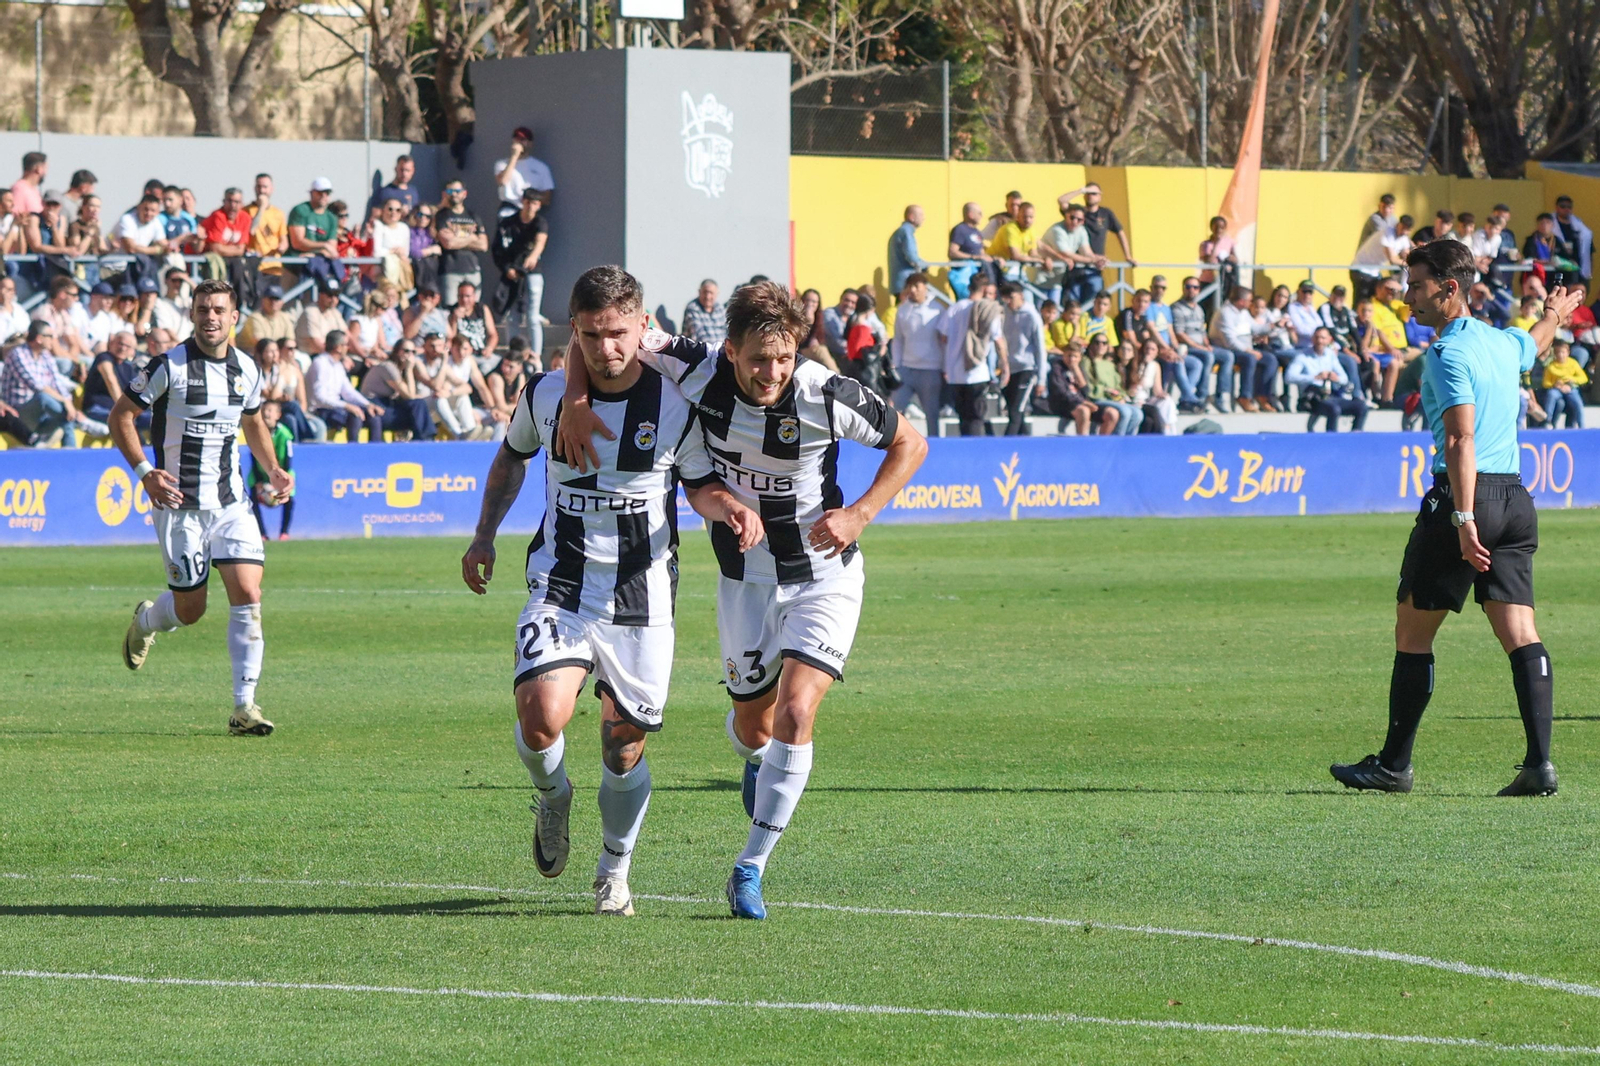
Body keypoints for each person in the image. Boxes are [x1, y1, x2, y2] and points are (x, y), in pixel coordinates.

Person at [555, 277, 927, 920]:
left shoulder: (825, 392)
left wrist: (860, 514)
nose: (772, 373)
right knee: (755, 728)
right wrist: (575, 399)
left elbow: (911, 442)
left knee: (797, 713)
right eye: (759, 360)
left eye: (783, 359)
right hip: (745, 581)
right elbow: (596, 335)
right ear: (730, 351)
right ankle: (757, 757)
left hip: (823, 574)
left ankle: (749, 867)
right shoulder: (696, 369)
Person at [461, 265, 759, 917]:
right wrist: (484, 535)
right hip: (560, 580)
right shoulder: (546, 396)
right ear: (576, 332)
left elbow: (700, 482)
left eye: (619, 333)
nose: (607, 349)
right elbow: (512, 455)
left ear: (643, 326)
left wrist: (729, 508)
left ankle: (614, 869)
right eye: (592, 336)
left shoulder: (679, 399)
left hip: (642, 593)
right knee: (541, 718)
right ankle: (553, 797)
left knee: (623, 743)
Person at [1330, 241, 1582, 798]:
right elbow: (1532, 348)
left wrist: (1463, 518)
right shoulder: (1498, 340)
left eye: (1416, 285)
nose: (1407, 296)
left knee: (1412, 630)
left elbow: (1461, 437)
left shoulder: (1446, 353)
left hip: (1464, 496)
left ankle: (1394, 766)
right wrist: (1553, 318)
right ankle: (1539, 765)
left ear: (1449, 289)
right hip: (1515, 498)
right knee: (1520, 633)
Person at [110, 280, 292, 737]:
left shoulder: (248, 369)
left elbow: (251, 421)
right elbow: (121, 416)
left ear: (234, 317)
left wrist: (271, 468)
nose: (210, 316)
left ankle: (243, 706)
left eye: (218, 309)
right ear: (193, 314)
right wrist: (144, 472)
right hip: (179, 505)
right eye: (202, 309)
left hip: (231, 502)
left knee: (249, 595)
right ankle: (148, 619)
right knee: (191, 610)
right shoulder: (167, 366)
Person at [2, 320, 97, 445]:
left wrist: (68, 403)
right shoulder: (17, 354)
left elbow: (56, 382)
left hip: (41, 415)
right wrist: (64, 401)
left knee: (66, 420)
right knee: (43, 398)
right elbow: (37, 386)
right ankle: (81, 421)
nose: (54, 340)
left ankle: (71, 457)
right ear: (39, 338)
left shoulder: (46, 355)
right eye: (51, 336)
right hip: (18, 413)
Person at [940, 278, 1006, 436]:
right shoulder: (987, 309)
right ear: (984, 290)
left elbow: (942, 335)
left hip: (955, 372)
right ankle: (977, 453)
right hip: (977, 370)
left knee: (963, 417)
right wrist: (1005, 365)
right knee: (977, 417)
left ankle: (966, 451)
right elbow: (998, 339)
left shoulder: (955, 308)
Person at [492, 188, 548, 357]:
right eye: (528, 202)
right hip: (512, 273)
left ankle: (535, 356)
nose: (531, 206)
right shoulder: (508, 223)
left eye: (535, 203)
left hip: (532, 272)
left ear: (539, 206)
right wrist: (507, 268)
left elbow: (540, 243)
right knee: (511, 317)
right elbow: (497, 249)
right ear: (523, 202)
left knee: (532, 317)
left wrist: (532, 257)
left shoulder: (540, 222)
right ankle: (514, 353)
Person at [889, 272, 945, 436]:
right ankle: (893, 441)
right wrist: (897, 364)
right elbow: (898, 339)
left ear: (925, 287)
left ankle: (934, 446)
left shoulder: (937, 310)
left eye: (916, 286)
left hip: (930, 369)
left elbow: (943, 341)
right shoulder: (903, 310)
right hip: (906, 369)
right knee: (895, 408)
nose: (912, 290)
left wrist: (944, 367)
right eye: (909, 286)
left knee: (931, 413)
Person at [1287, 327, 1367, 432]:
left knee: (1361, 407)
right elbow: (1289, 377)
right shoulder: (1302, 356)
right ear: (1312, 339)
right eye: (1317, 337)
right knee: (1334, 409)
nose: (1320, 341)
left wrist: (1336, 378)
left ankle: (1355, 436)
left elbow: (1344, 378)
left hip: (1330, 394)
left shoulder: (1330, 355)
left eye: (1323, 338)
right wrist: (1314, 377)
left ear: (1329, 340)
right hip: (1312, 398)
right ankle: (1331, 438)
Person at [1170, 276, 1229, 412]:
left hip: (1200, 345)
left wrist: (1207, 344)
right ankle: (1201, 396)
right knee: (1208, 357)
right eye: (1188, 287)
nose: (1192, 290)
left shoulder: (1199, 309)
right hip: (1186, 347)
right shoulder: (1177, 308)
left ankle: (1220, 396)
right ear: (1183, 289)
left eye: (1195, 287)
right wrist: (1201, 347)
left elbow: (1202, 331)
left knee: (1227, 356)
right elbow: (1180, 334)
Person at [360, 339, 437, 442]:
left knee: (418, 405)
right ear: (397, 351)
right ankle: (425, 440)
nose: (409, 355)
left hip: (388, 405)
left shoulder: (400, 370)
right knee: (417, 405)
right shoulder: (388, 367)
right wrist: (409, 370)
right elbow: (410, 396)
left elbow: (412, 396)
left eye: (413, 352)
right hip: (374, 406)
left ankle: (426, 439)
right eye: (406, 351)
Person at [1209, 285, 1267, 412]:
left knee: (1270, 360)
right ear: (1242, 301)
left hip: (1245, 348)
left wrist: (1275, 326)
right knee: (1250, 359)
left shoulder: (1244, 313)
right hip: (1227, 350)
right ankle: (1244, 397)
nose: (1251, 303)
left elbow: (1256, 328)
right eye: (1250, 300)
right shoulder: (1225, 313)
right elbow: (1230, 342)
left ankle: (1264, 396)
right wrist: (1249, 350)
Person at [997, 282, 1044, 434]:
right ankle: (1025, 442)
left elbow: (1040, 348)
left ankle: (1007, 446)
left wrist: (1041, 378)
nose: (1009, 302)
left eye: (1011, 297)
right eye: (1006, 298)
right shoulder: (1004, 313)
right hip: (1009, 368)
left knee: (1016, 410)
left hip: (1026, 368)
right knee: (1013, 410)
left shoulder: (1031, 315)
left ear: (1021, 296)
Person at [254, 337, 319, 442]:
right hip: (263, 408)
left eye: (275, 351)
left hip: (276, 407)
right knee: (293, 405)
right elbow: (271, 396)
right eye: (270, 351)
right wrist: (281, 374)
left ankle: (296, 447)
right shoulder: (257, 371)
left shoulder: (275, 369)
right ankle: (308, 437)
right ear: (262, 354)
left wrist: (282, 397)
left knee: (290, 419)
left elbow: (276, 395)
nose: (275, 354)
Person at [1041, 202, 1103, 306]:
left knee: (1054, 314)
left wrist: (1099, 259)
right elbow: (1066, 254)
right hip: (1040, 277)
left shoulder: (1081, 231)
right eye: (1072, 217)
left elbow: (1087, 252)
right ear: (1066, 216)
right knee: (1038, 316)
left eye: (1079, 220)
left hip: (1056, 280)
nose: (1075, 222)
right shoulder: (1057, 230)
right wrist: (1093, 260)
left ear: (1083, 221)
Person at [435, 181, 487, 305]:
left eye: (457, 191)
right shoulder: (441, 216)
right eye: (450, 191)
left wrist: (456, 236)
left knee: (472, 309)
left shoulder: (473, 216)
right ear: (445, 194)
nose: (454, 194)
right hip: (450, 271)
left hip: (472, 270)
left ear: (464, 193)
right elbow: (448, 243)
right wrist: (471, 237)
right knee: (450, 309)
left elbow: (483, 245)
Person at [250, 400, 296, 540]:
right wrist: (259, 481)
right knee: (251, 499)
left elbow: (288, 459)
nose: (266, 414)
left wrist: (280, 480)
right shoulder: (256, 433)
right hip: (260, 472)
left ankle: (284, 533)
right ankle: (262, 534)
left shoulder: (285, 434)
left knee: (290, 499)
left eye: (270, 410)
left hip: (282, 473)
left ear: (278, 415)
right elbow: (253, 456)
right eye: (264, 410)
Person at [1062, 182, 1135, 267]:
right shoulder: (1078, 212)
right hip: (1076, 263)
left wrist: (1128, 256)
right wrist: (1081, 190)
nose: (1090, 196)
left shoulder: (1106, 213)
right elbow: (1062, 200)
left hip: (1096, 263)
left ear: (1100, 196)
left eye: (1094, 193)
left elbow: (1120, 233)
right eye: (1088, 193)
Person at [1081, 334, 1140, 434]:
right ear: (1091, 345)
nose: (1101, 345)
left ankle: (1128, 442)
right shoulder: (1086, 362)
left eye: (1104, 343)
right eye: (1097, 342)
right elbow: (1088, 386)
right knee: (1125, 412)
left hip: (1112, 399)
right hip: (1097, 399)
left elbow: (1117, 386)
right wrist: (1105, 390)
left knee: (1138, 414)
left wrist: (1121, 396)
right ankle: (1117, 443)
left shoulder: (1110, 364)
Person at [287, 178, 341, 285]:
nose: (324, 196)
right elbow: (297, 242)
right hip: (294, 268)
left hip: (318, 270)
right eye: (320, 192)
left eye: (327, 193)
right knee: (288, 300)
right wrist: (324, 247)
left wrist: (314, 253)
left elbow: (332, 249)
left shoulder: (331, 218)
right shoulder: (301, 210)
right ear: (312, 193)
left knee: (316, 300)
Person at [492, 127, 556, 216]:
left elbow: (547, 198)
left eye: (523, 140)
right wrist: (514, 156)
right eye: (517, 139)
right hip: (509, 211)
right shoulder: (502, 164)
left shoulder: (541, 167)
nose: (519, 142)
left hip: (530, 212)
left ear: (530, 143)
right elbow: (502, 181)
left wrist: (532, 198)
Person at [243, 174, 289, 278]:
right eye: (259, 187)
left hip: (273, 266)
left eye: (265, 187)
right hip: (254, 265)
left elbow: (283, 239)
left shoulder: (278, 213)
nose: (262, 190)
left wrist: (282, 246)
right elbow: (251, 231)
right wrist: (262, 207)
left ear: (271, 189)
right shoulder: (245, 211)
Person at [987, 201, 1045, 281]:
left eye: (1031, 217)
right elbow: (1015, 256)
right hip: (996, 269)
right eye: (1024, 217)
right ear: (1018, 216)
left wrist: (1045, 259)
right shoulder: (1010, 229)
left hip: (1013, 270)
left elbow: (1033, 254)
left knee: (1027, 292)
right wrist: (1040, 260)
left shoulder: (1031, 231)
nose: (1028, 220)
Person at [946, 202, 992, 299]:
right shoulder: (960, 230)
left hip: (978, 276)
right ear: (970, 214)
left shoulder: (977, 232)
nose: (982, 216)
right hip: (964, 276)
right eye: (979, 213)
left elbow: (981, 253)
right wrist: (972, 257)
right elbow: (952, 252)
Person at [370, 197, 414, 291]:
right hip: (382, 272)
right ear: (383, 210)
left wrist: (399, 252)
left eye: (398, 210)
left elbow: (406, 252)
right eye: (390, 209)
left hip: (400, 271)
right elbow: (376, 252)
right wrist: (392, 251)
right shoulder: (379, 226)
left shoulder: (404, 228)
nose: (393, 212)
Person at [295, 278, 347, 356]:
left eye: (336, 295)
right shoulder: (311, 311)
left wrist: (364, 355)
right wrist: (341, 358)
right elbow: (317, 345)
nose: (333, 299)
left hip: (331, 355)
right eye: (330, 295)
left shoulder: (334, 312)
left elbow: (348, 336)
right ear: (320, 294)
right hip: (310, 356)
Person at [1540, 340, 1587, 428]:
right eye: (1558, 352)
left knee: (1578, 403)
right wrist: (1554, 384)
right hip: (1557, 389)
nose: (1560, 355)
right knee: (1551, 395)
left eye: (1563, 352)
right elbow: (1545, 382)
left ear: (1568, 353)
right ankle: (1548, 421)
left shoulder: (1573, 363)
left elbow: (1584, 378)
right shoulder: (1551, 366)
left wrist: (1572, 380)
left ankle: (1581, 425)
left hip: (1570, 388)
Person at [449, 279, 498, 360]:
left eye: (468, 296)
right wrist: (454, 320)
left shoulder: (482, 309)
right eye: (461, 296)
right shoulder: (452, 311)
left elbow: (493, 334)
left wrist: (489, 348)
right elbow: (450, 339)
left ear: (474, 296)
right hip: (461, 356)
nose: (464, 300)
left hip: (481, 353)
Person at [238, 283, 293, 353]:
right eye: (271, 299)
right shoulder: (255, 317)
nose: (273, 302)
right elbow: (261, 345)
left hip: (275, 354)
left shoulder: (285, 317)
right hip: (251, 355)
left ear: (282, 302)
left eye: (276, 299)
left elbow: (290, 341)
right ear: (263, 300)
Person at [888, 205, 928, 296]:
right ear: (911, 217)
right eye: (921, 215)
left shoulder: (901, 231)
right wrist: (925, 266)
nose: (923, 218)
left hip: (900, 282)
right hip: (906, 283)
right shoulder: (906, 232)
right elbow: (912, 257)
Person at [1554, 196, 1592, 285]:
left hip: (1578, 272)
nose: (1566, 209)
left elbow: (1589, 251)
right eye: (1563, 206)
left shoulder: (1581, 228)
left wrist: (1588, 271)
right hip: (1558, 272)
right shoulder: (1551, 226)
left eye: (1569, 207)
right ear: (1556, 207)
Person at [1198, 215, 1237, 297]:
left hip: (1224, 280)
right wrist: (1216, 243)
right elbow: (1209, 261)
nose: (1219, 230)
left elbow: (1236, 259)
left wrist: (1230, 258)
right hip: (1208, 280)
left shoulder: (1229, 242)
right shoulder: (1205, 244)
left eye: (1222, 227)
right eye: (1216, 227)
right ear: (1211, 228)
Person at [682, 278, 727, 348]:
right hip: (701, 353)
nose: (708, 297)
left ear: (717, 294)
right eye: (705, 292)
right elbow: (698, 335)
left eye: (711, 293)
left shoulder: (720, 308)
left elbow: (726, 331)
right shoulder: (693, 308)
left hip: (722, 351)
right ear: (699, 292)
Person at [820, 289, 857, 365]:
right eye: (847, 300)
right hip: (833, 354)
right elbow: (837, 341)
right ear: (841, 299)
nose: (849, 304)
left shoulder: (855, 316)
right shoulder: (830, 314)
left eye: (853, 302)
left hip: (849, 355)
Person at [10, 151, 46, 220]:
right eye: (45, 168)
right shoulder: (19, 189)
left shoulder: (34, 190)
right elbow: (16, 216)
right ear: (38, 169)